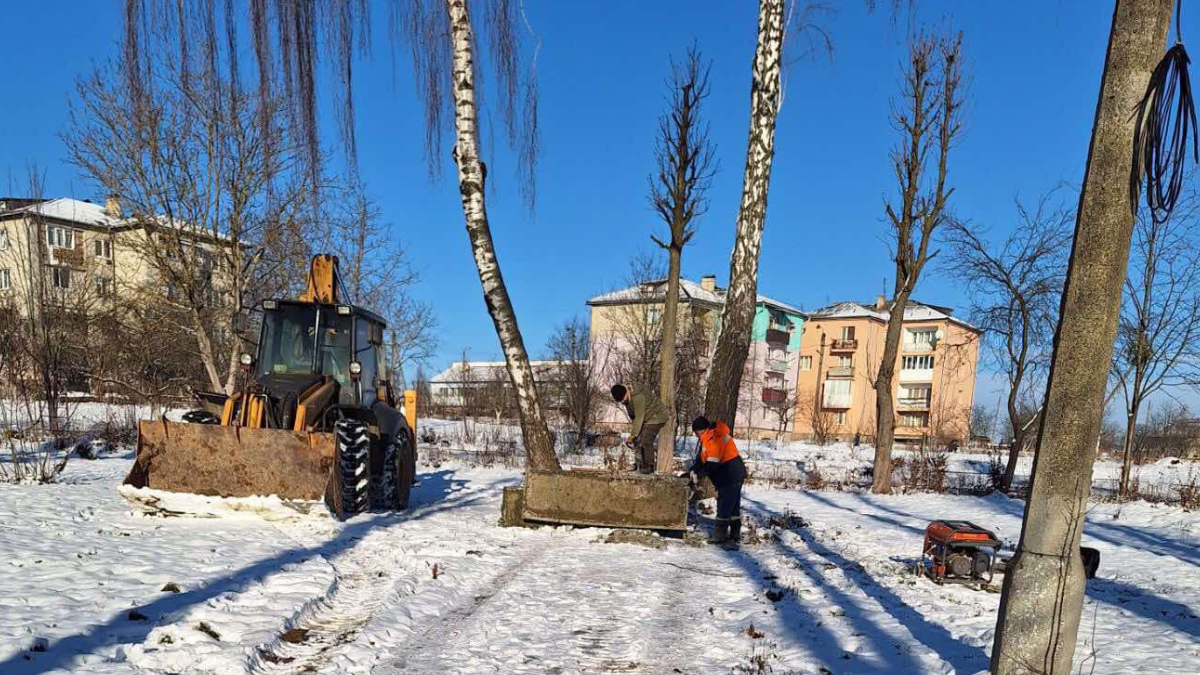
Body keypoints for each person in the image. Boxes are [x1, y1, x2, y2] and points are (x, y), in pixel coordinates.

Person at [687, 415, 746, 550]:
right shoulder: (708, 438)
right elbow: (702, 460)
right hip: (732, 474)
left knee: (724, 506)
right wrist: (693, 470)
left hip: (731, 475)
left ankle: (720, 536)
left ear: (702, 430)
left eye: (696, 432)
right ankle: (735, 535)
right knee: (733, 507)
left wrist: (698, 475)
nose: (695, 435)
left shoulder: (715, 439)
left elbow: (712, 465)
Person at [610, 383, 669, 474]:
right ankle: (640, 464)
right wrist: (634, 435)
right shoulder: (626, 399)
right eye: (620, 400)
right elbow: (634, 417)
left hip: (657, 416)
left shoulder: (638, 396)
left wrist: (633, 435)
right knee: (637, 440)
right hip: (646, 417)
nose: (622, 401)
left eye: (623, 398)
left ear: (627, 392)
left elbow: (639, 417)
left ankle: (649, 466)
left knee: (646, 439)